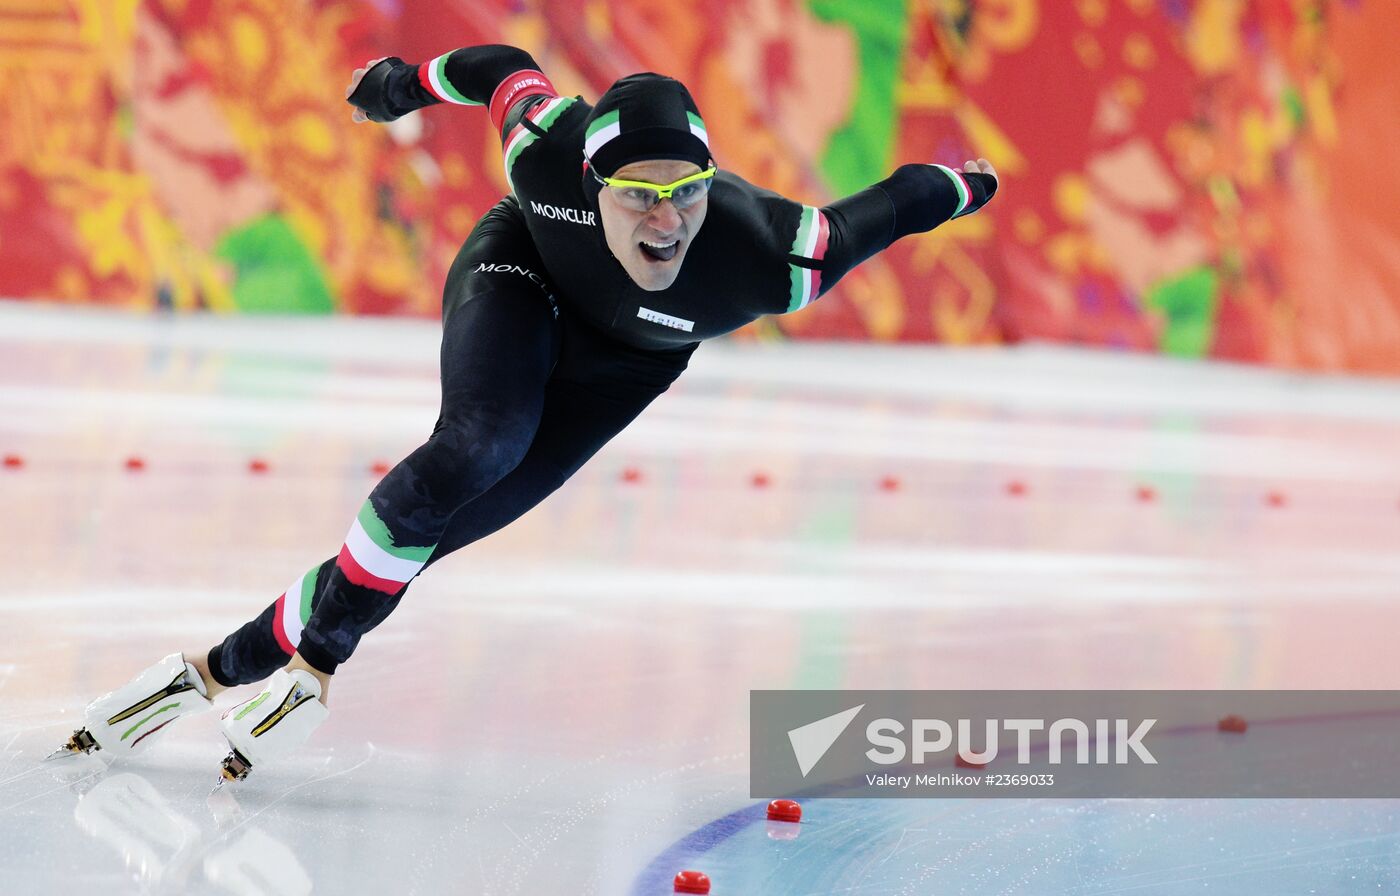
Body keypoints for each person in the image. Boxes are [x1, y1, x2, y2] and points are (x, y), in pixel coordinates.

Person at [55, 44, 998, 782]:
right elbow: (499, 70)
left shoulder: (776, 256)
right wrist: (401, 85)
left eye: (686, 194)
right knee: (478, 445)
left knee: (438, 531)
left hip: (624, 370)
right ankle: (320, 660)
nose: (666, 222)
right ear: (594, 187)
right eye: (638, 196)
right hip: (522, 278)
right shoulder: (547, 149)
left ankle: (216, 669)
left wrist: (971, 185)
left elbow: (901, 202)